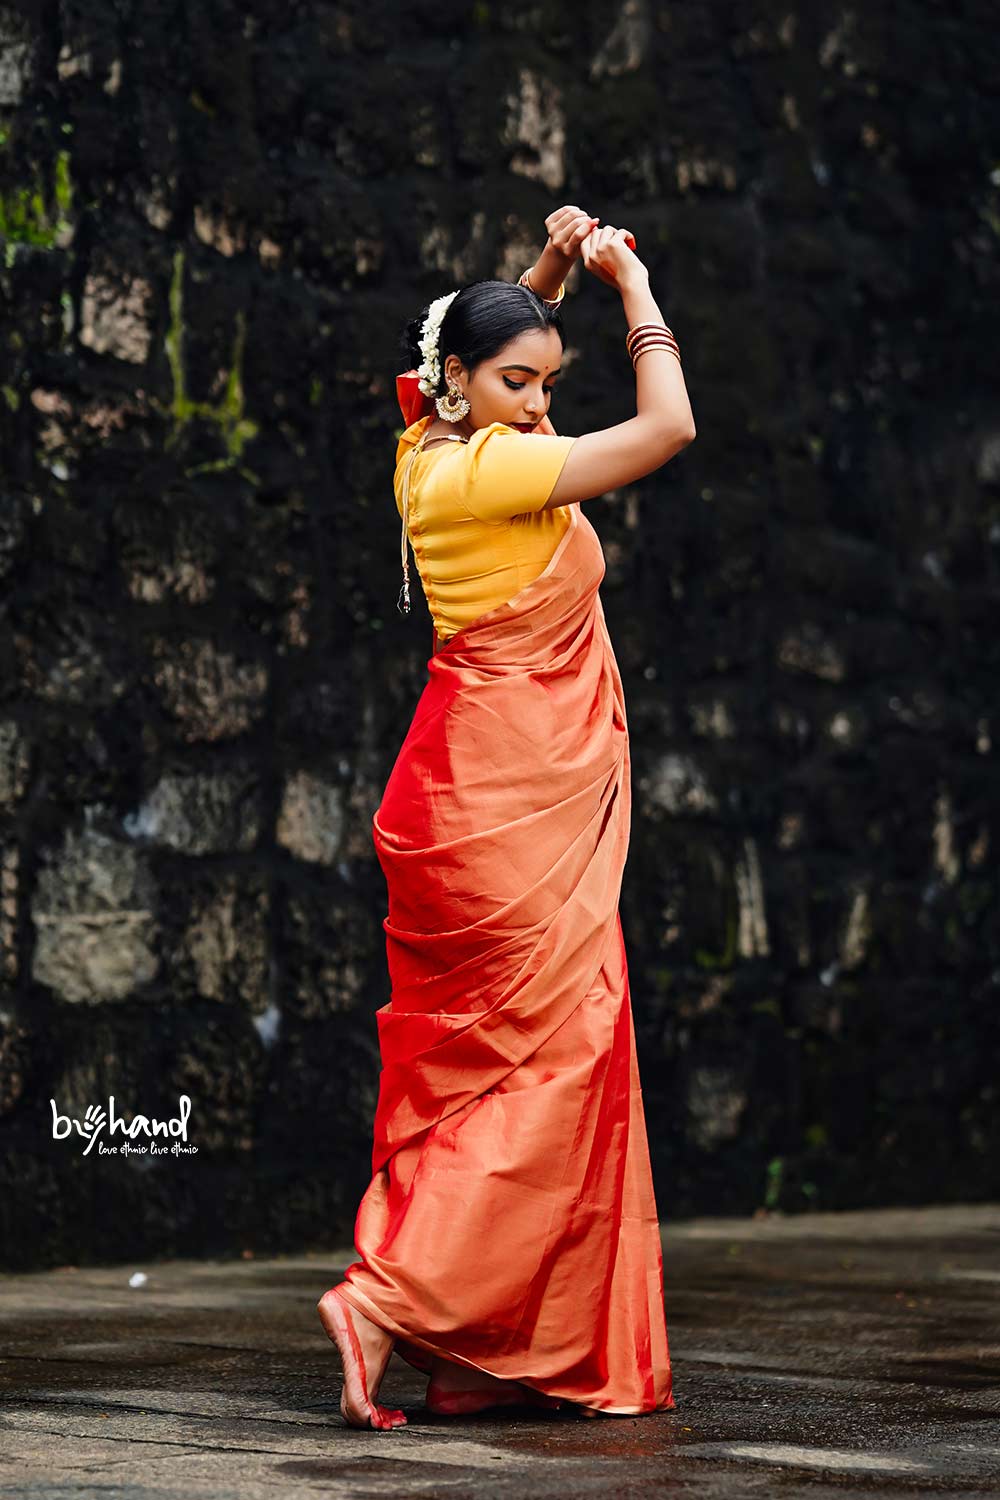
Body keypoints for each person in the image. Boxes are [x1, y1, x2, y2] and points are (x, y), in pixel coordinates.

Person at [318, 208, 696, 1430]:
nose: (538, 405)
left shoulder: (425, 445)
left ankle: (470, 1349)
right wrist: (631, 281)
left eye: (546, 384)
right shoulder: (497, 468)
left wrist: (550, 271)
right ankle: (387, 1296)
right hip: (511, 796)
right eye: (517, 384)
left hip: (466, 781)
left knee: (487, 1071)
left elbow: (488, 337)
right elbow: (669, 427)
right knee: (551, 1057)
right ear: (463, 385)